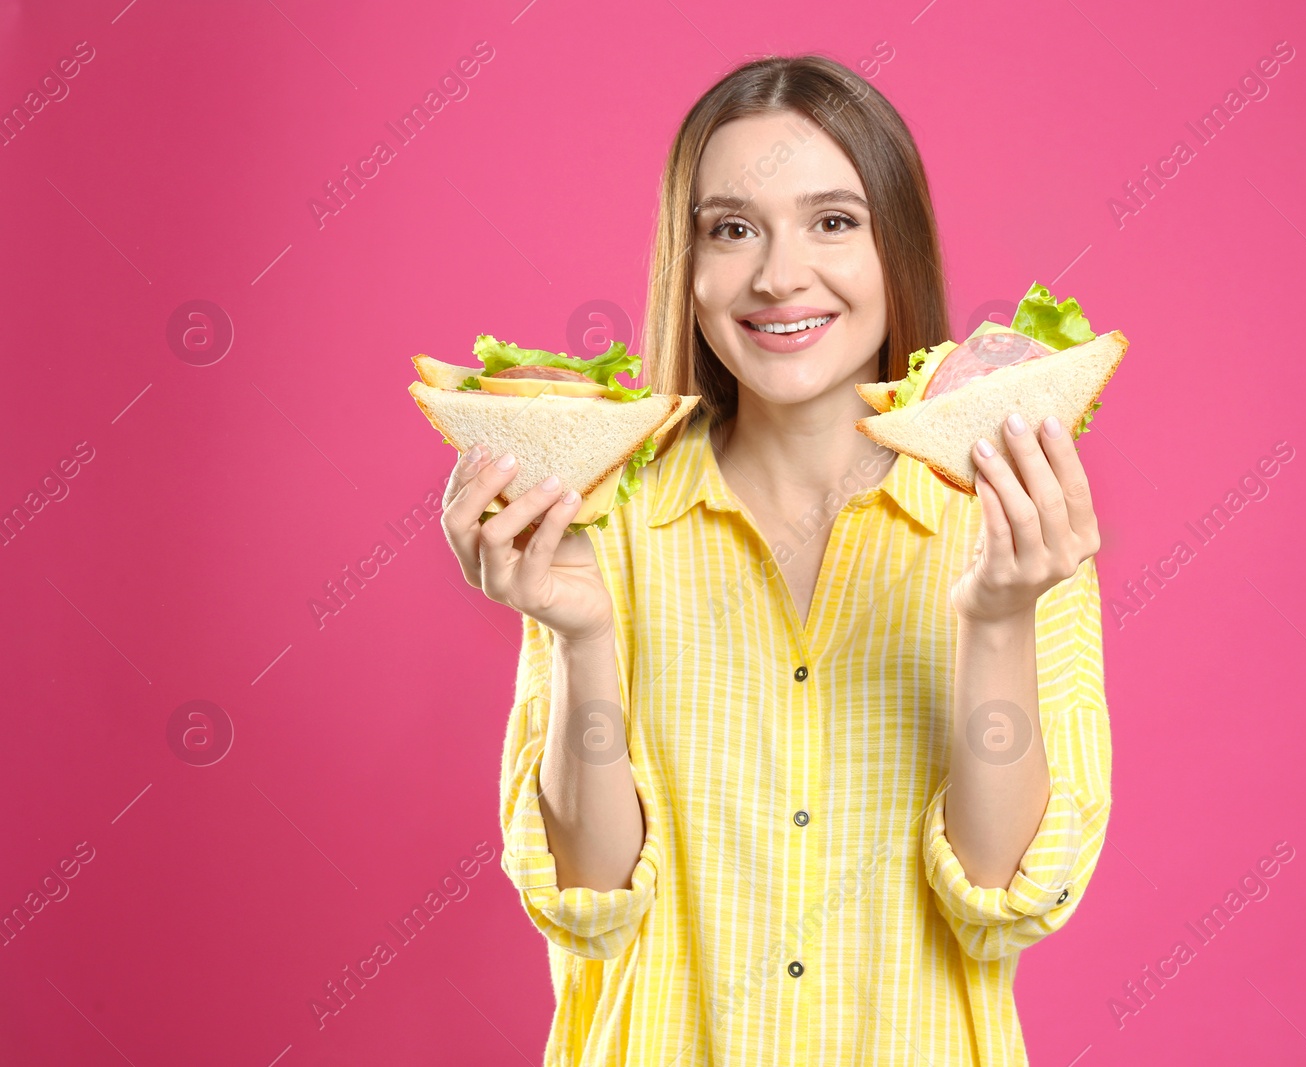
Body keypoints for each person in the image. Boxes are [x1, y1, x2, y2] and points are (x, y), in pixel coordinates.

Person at [438, 53, 1111, 1067]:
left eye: (832, 221)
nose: (777, 274)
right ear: (690, 265)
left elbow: (999, 900)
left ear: (897, 248)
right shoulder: (606, 514)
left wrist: (1000, 615)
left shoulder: (1011, 519)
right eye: (732, 227)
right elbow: (591, 899)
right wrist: (576, 633)